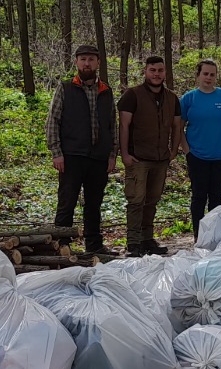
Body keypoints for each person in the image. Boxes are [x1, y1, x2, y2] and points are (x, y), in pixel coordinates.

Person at [45, 44, 117, 255]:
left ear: (98, 63)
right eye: (83, 59)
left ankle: (94, 244)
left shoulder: (106, 90)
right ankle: (62, 244)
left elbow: (112, 124)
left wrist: (113, 154)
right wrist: (56, 152)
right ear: (76, 62)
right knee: (67, 201)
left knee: (94, 203)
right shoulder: (66, 88)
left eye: (91, 59)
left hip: (99, 157)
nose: (87, 63)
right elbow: (52, 121)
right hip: (71, 156)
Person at [118, 55, 183, 256]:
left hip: (161, 159)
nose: (156, 74)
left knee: (152, 200)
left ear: (165, 72)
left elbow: (177, 125)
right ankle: (133, 242)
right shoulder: (133, 95)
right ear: (145, 71)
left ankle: (147, 239)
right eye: (152, 70)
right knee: (136, 200)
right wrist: (125, 153)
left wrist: (173, 150)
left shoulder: (172, 98)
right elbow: (124, 125)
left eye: (160, 71)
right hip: (138, 158)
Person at [181, 59, 221, 238]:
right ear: (198, 75)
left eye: (212, 74)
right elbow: (178, 126)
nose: (208, 78)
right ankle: (199, 236)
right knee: (199, 197)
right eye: (205, 74)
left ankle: (214, 235)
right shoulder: (189, 98)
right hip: (197, 156)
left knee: (216, 197)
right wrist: (186, 150)